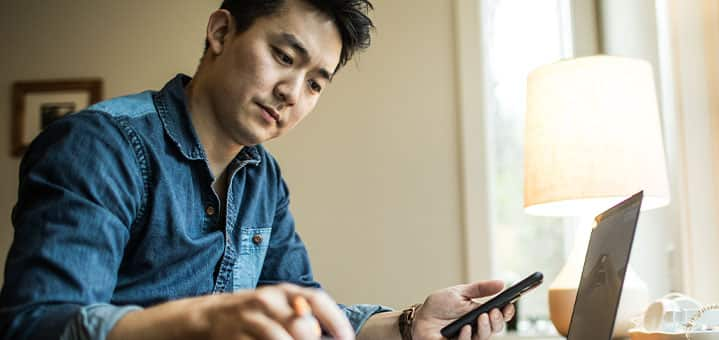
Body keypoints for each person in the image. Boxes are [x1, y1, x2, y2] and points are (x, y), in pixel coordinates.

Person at [0, 1, 515, 339]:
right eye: (283, 56)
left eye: (316, 83)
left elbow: (308, 314)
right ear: (221, 32)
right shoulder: (100, 145)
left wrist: (408, 324)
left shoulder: (263, 179)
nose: (293, 92)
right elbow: (37, 324)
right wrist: (200, 320)